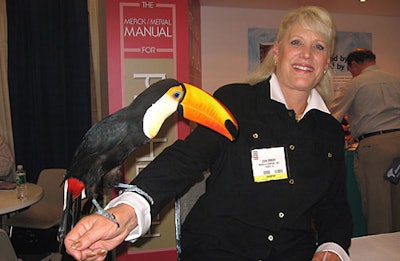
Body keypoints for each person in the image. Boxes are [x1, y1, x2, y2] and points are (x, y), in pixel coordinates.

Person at [64, 6, 352, 261]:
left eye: (319, 46)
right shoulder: (236, 100)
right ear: (276, 51)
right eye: (296, 42)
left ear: (327, 63)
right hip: (218, 248)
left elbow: (334, 207)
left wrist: (331, 250)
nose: (306, 54)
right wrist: (128, 210)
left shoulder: (329, 130)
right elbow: (186, 158)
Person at [329, 48, 400, 235]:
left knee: (378, 204)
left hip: (375, 147)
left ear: (354, 65)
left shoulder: (356, 84)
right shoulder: (396, 80)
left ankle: (380, 251)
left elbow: (331, 117)